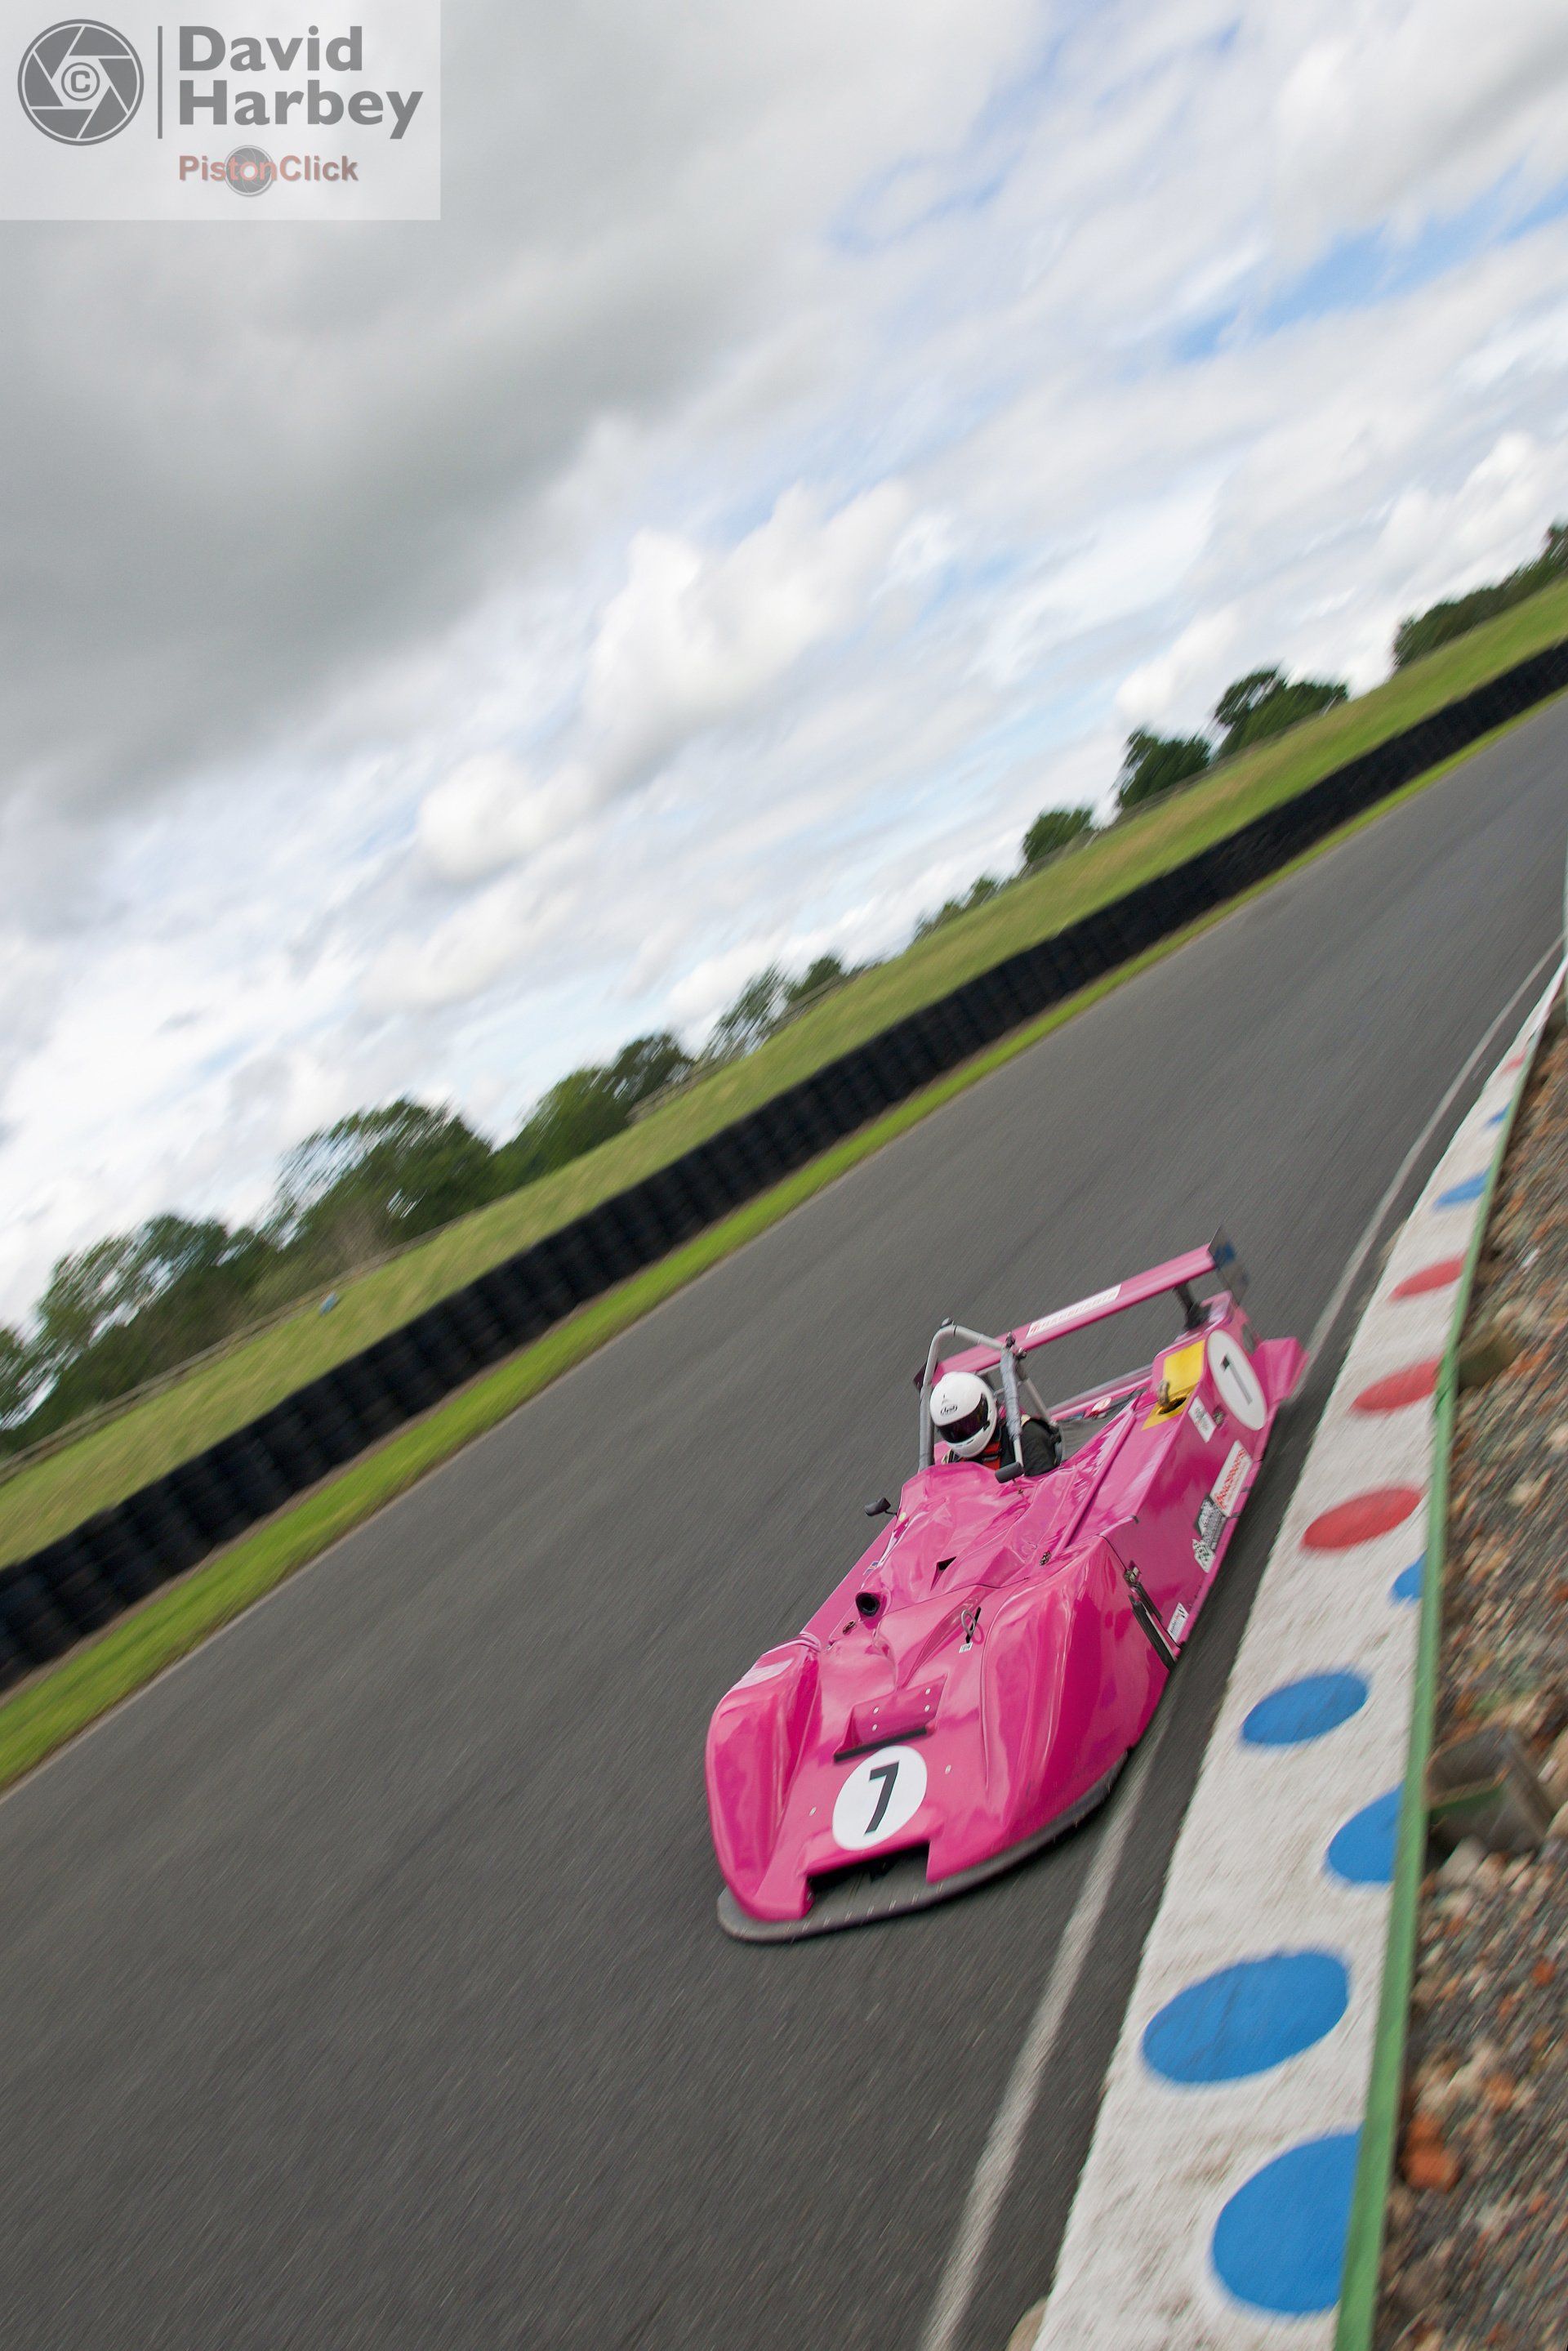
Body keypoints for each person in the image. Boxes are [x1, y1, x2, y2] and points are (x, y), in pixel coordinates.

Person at [928, 1369, 1059, 1476]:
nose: (961, 1432)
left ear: (985, 1408)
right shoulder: (950, 1461)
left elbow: (1047, 1496)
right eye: (952, 1431)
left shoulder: (1026, 1437)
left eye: (968, 1424)